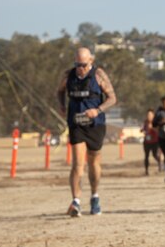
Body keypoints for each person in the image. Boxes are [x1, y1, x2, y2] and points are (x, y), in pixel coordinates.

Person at [56, 47, 117, 217]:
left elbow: (112, 98)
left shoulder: (99, 75)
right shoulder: (69, 75)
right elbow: (60, 91)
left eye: (83, 64)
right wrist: (62, 105)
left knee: (94, 163)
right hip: (76, 124)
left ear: (91, 61)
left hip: (95, 125)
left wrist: (97, 110)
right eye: (77, 64)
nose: (80, 68)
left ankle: (95, 196)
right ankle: (76, 201)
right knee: (77, 164)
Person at [142, 109, 161, 175]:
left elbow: (158, 131)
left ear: (153, 115)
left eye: (150, 115)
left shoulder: (156, 122)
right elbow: (144, 129)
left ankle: (160, 164)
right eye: (147, 115)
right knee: (146, 156)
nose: (148, 116)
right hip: (147, 141)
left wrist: (152, 128)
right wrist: (142, 130)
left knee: (155, 155)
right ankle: (146, 170)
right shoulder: (145, 122)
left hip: (155, 141)